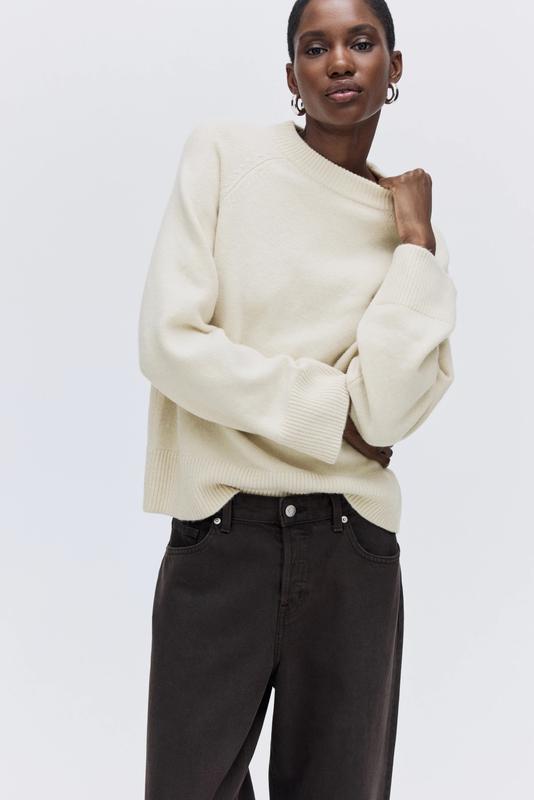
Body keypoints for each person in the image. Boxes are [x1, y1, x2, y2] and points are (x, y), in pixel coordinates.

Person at [138, 0, 457, 797]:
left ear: (394, 66)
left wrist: (417, 245)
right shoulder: (223, 156)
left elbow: (386, 413)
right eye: (316, 48)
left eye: (361, 42)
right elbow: (170, 343)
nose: (339, 62)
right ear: (292, 75)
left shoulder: (413, 242)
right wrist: (331, 412)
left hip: (353, 551)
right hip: (222, 537)